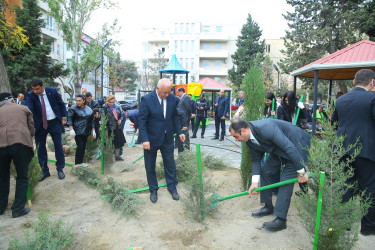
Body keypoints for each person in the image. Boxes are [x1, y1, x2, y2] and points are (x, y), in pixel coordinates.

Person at [229, 119, 310, 231]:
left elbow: (289, 147)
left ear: (243, 131)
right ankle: (268, 206)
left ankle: (281, 220)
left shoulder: (265, 127)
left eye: (236, 137)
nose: (236, 140)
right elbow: (256, 160)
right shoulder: (248, 139)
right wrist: (254, 183)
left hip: (296, 146)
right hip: (279, 149)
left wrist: (301, 172)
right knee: (266, 170)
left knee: (285, 181)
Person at [332, 69, 375, 236]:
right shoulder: (372, 98)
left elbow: (334, 124)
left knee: (346, 186)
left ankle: (343, 223)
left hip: (343, 150)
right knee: (369, 189)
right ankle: (368, 227)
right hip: (367, 151)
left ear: (354, 82)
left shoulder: (341, 100)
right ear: (372, 82)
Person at [138, 78, 185, 203]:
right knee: (150, 165)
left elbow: (174, 116)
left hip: (167, 138)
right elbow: (142, 121)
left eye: (169, 92)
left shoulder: (171, 98)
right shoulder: (147, 99)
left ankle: (172, 188)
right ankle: (153, 189)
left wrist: (179, 132)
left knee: (170, 163)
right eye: (164, 92)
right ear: (158, 89)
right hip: (151, 139)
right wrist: (145, 139)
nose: (167, 95)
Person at [0, 92, 34, 218]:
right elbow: (31, 128)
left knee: (2, 177)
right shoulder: (24, 108)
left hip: (1, 146)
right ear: (12, 100)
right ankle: (17, 209)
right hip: (21, 144)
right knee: (22, 176)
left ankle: (1, 207)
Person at [25, 78, 67, 181]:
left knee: (58, 146)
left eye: (37, 89)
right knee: (41, 148)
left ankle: (60, 169)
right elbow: (28, 109)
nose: (35, 91)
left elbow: (61, 104)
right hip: (39, 125)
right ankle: (45, 171)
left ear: (43, 86)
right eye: (33, 89)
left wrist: (64, 117)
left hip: (54, 123)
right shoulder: (30, 95)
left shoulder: (52, 91)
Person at [67, 95, 95, 166]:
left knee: (83, 146)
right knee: (80, 146)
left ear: (83, 101)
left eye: (79, 100)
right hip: (77, 130)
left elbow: (92, 120)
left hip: (86, 130)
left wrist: (93, 130)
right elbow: (69, 118)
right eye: (76, 101)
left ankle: (81, 162)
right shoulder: (73, 108)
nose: (78, 102)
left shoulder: (89, 109)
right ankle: (77, 163)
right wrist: (71, 129)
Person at [101, 95, 126, 161]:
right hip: (109, 128)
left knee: (117, 142)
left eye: (113, 102)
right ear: (107, 101)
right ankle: (108, 157)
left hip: (117, 127)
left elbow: (121, 114)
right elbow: (102, 117)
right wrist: (103, 125)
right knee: (108, 143)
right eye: (110, 102)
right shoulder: (104, 107)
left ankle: (117, 156)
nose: (112, 104)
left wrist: (120, 119)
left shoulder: (117, 106)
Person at [176, 87, 191, 151]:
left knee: (186, 135)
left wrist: (188, 118)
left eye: (178, 92)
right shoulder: (183, 98)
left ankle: (187, 149)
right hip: (182, 119)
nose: (177, 93)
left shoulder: (186, 97)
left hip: (185, 119)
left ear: (181, 91)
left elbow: (188, 108)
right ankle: (183, 149)